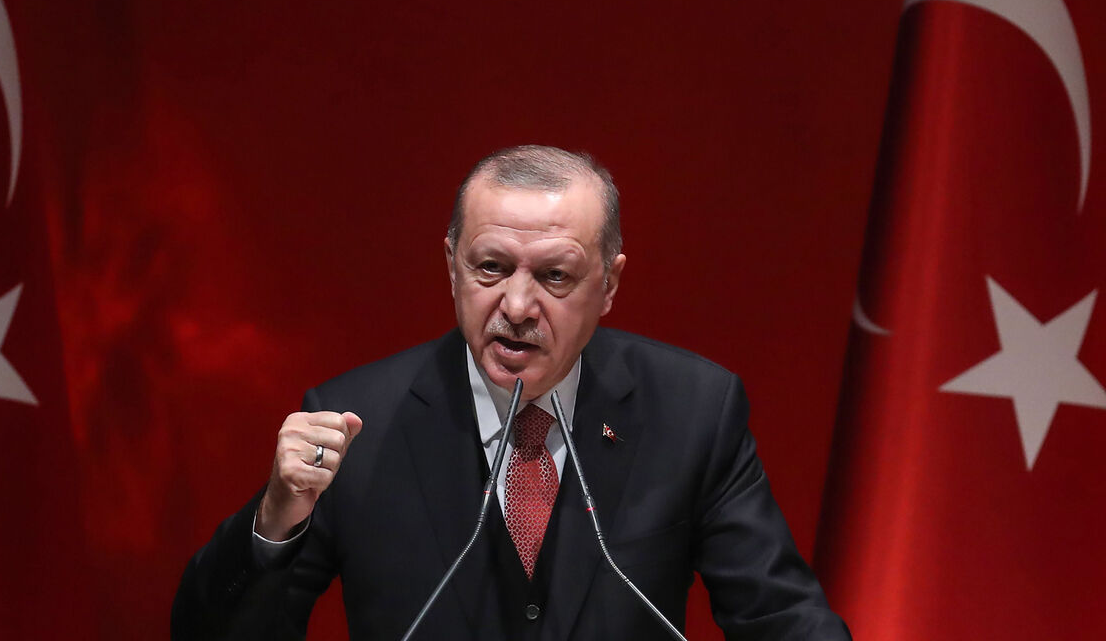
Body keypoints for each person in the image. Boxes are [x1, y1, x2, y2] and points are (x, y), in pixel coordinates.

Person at [171, 145, 850, 640]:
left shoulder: (692, 410)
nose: (517, 305)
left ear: (609, 284)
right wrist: (275, 520)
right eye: (491, 268)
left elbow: (780, 619)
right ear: (451, 265)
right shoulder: (357, 421)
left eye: (555, 276)